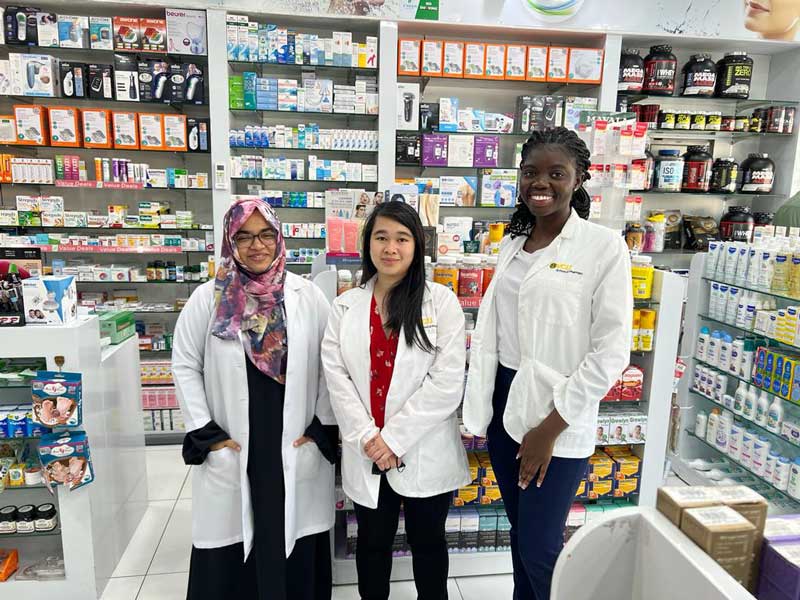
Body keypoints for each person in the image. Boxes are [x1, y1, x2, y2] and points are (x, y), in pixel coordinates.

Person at [463, 127, 632, 600]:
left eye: (556, 173)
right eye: (531, 172)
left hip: (557, 412)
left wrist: (549, 428)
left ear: (578, 179)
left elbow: (611, 352)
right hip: (503, 401)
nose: (542, 182)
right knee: (520, 536)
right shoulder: (512, 244)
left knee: (540, 546)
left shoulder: (602, 247)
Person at [172, 197, 336, 600]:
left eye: (265, 234)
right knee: (234, 537)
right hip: (235, 438)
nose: (256, 245)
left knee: (290, 529)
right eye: (243, 236)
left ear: (279, 237)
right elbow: (184, 364)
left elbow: (333, 365)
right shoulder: (207, 299)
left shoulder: (308, 296)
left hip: (294, 436)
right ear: (229, 242)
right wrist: (207, 434)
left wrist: (320, 426)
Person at [322, 201, 470, 600]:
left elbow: (447, 382)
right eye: (381, 237)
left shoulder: (441, 302)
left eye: (402, 238)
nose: (391, 247)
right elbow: (337, 378)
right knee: (372, 544)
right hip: (367, 447)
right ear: (367, 244)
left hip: (422, 447)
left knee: (428, 544)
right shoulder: (345, 306)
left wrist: (394, 440)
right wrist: (370, 437)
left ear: (416, 246)